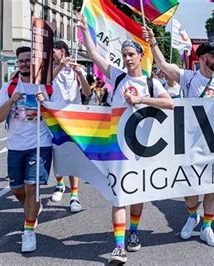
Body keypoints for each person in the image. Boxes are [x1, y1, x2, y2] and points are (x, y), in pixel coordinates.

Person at [77, 13, 174, 264]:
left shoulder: (151, 82)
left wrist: (141, 100)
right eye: (125, 55)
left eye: (132, 55)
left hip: (143, 149)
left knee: (137, 195)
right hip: (117, 148)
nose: (128, 59)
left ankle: (133, 231)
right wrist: (83, 29)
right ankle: (119, 246)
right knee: (119, 196)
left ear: (141, 57)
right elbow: (92, 53)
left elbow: (169, 103)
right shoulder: (117, 76)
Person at [143, 26, 214, 247]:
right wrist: (153, 41)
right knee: (189, 185)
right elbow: (163, 65)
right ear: (203, 57)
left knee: (212, 185)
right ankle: (192, 216)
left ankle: (207, 226)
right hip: (191, 142)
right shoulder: (189, 78)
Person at [0, 46, 55, 253]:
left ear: (35, 62)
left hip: (40, 145)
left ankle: (28, 231)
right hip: (15, 146)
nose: (25, 64)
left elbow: (62, 115)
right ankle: (32, 207)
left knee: (31, 188)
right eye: (21, 61)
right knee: (17, 189)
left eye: (28, 60)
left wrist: (45, 104)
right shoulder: (10, 87)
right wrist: (11, 100)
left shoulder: (46, 86)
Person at [49, 40, 92, 213]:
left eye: (55, 50)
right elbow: (46, 83)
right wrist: (59, 67)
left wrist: (80, 74)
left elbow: (87, 93)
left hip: (74, 118)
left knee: (74, 156)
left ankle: (74, 194)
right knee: (57, 153)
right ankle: (59, 185)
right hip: (54, 117)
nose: (52, 53)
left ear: (63, 51)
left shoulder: (76, 69)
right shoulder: (49, 69)